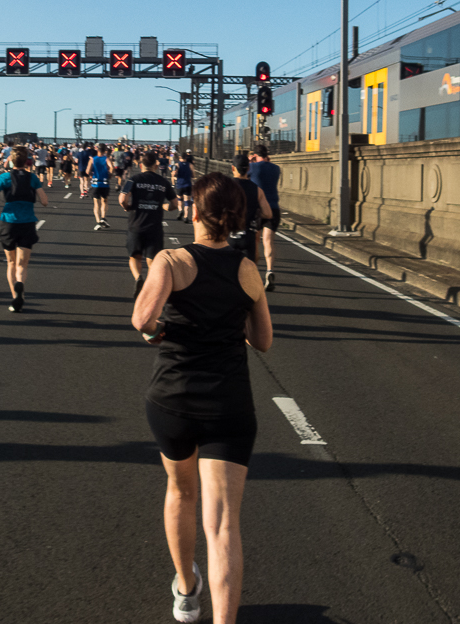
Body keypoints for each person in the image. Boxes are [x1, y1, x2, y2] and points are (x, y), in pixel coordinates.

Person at [131, 172, 273, 624]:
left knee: (181, 490)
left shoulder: (170, 261)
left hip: (173, 398)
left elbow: (143, 319)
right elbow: (263, 340)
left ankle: (187, 591)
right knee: (224, 523)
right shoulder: (246, 268)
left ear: (193, 211)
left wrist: (160, 334)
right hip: (229, 403)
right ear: (234, 218)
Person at [0, 145, 48, 312]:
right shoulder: (32, 178)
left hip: (8, 222)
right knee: (22, 264)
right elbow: (45, 201)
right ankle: (21, 285)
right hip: (27, 222)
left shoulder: (4, 178)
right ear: (27, 161)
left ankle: (15, 297)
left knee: (10, 262)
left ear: (10, 160)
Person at [120, 150, 177, 298]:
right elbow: (175, 204)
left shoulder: (133, 180)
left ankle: (138, 277)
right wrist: (164, 206)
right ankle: (152, 289)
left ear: (140, 165)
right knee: (153, 261)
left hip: (136, 225)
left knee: (135, 257)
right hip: (155, 227)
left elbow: (122, 199)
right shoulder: (163, 182)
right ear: (155, 165)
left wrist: (127, 207)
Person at [248, 145, 282, 291]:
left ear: (255, 155)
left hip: (258, 209)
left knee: (255, 241)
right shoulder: (276, 169)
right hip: (274, 208)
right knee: (268, 242)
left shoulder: (253, 167)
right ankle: (270, 270)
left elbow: (242, 173)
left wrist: (250, 161)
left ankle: (255, 273)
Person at [228, 154, 272, 263]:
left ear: (233, 168)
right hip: (248, 236)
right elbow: (268, 214)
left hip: (229, 235)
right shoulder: (257, 190)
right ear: (248, 169)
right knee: (249, 272)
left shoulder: (226, 187)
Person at [89, 143, 113, 230]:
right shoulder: (106, 159)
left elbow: (87, 171)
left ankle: (98, 221)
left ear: (97, 150)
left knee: (96, 204)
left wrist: (91, 175)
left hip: (95, 183)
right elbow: (111, 167)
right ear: (104, 150)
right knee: (104, 201)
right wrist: (109, 173)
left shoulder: (93, 159)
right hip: (105, 183)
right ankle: (103, 218)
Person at [174, 151, 195, 223]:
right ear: (186, 157)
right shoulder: (190, 165)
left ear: (180, 157)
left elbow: (174, 173)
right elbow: (193, 175)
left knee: (179, 200)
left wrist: (176, 174)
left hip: (179, 184)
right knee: (187, 201)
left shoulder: (177, 164)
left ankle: (180, 210)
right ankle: (186, 216)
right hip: (187, 184)